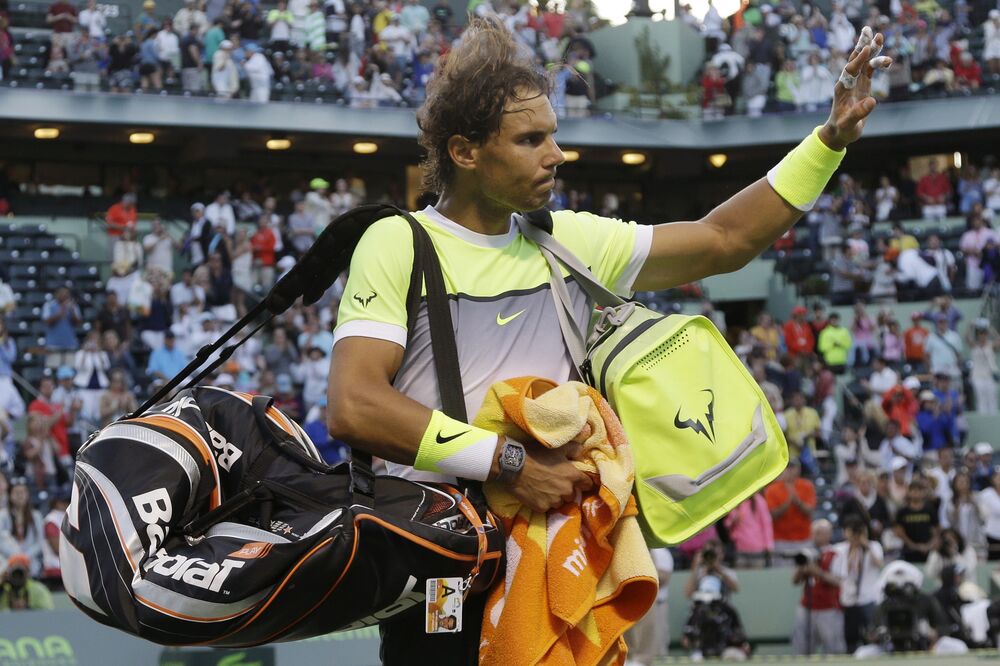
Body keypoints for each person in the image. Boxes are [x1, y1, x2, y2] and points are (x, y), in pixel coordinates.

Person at [326, 17, 889, 661]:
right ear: (464, 151)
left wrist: (829, 140)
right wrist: (512, 464)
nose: (555, 154)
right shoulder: (399, 241)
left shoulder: (565, 240)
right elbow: (355, 405)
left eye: (554, 135)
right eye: (530, 139)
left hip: (562, 555)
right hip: (443, 560)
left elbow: (723, 241)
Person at [830, 515, 884, 654]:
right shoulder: (840, 549)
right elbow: (840, 573)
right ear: (845, 532)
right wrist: (852, 550)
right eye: (852, 531)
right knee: (850, 637)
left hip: (868, 598)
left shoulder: (874, 546)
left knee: (872, 634)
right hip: (849, 600)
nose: (855, 534)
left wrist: (865, 545)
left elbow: (879, 564)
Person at [791, 519, 845, 655]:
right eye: (814, 533)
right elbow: (794, 581)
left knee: (833, 648)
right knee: (802, 647)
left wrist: (817, 571)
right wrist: (802, 568)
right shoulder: (806, 552)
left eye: (819, 533)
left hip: (828, 607)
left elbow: (838, 581)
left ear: (828, 534)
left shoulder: (836, 553)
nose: (815, 536)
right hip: (807, 606)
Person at [624, 548, 673, 666]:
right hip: (630, 597)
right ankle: (628, 656)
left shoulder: (661, 552)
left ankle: (642, 659)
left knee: (658, 650)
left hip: (655, 602)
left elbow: (660, 580)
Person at [766, 460, 817, 561]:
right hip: (781, 540)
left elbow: (810, 510)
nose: (790, 471)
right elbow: (772, 515)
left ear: (799, 469)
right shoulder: (772, 489)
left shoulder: (807, 486)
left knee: (805, 572)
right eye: (788, 468)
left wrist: (797, 502)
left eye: (793, 467)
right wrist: (787, 503)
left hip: (803, 539)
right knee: (782, 574)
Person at [894, 477, 941, 563]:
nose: (916, 492)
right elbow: (899, 531)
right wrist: (913, 546)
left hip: (927, 551)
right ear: (908, 492)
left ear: (924, 492)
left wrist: (928, 545)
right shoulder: (903, 511)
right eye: (913, 490)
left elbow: (937, 530)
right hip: (908, 551)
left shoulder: (930, 509)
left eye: (919, 490)